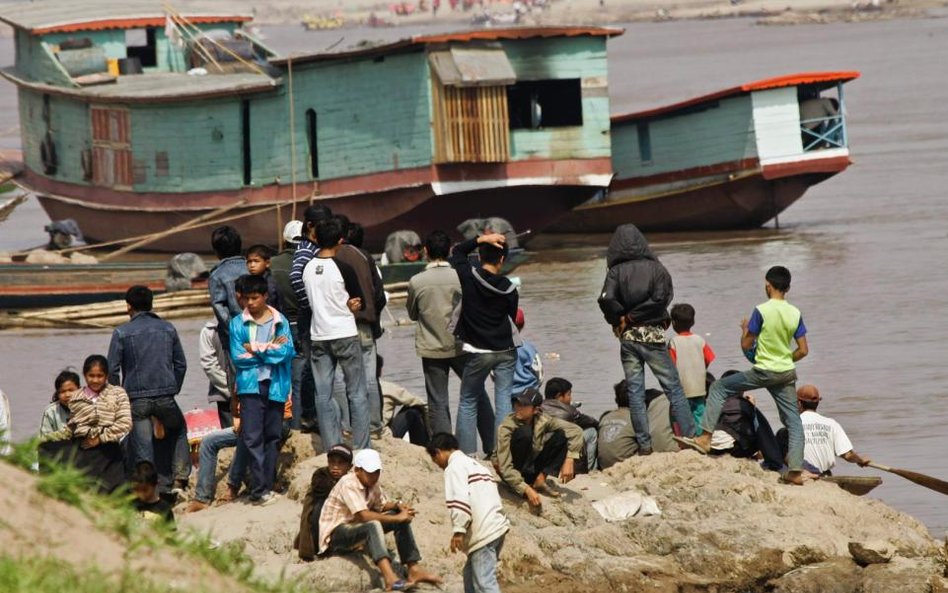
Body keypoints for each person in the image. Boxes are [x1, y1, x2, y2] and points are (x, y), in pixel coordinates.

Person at [684, 266, 809, 486]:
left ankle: (705, 438)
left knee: (719, 388)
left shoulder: (761, 311)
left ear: (767, 285)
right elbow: (803, 350)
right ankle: (796, 471)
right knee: (793, 422)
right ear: (788, 288)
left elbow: (746, 344)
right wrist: (786, 359)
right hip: (786, 373)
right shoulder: (795, 313)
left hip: (763, 371)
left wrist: (744, 331)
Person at [597, 224, 696, 456]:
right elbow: (660, 298)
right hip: (652, 336)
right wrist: (635, 316)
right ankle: (689, 437)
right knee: (673, 389)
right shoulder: (657, 269)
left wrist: (619, 318)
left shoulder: (614, 272)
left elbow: (605, 299)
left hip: (628, 339)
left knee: (635, 392)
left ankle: (644, 445)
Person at [319, 449, 442, 591]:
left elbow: (382, 505)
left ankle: (413, 568)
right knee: (373, 525)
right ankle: (390, 578)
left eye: (377, 472)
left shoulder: (371, 483)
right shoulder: (348, 483)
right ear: (357, 470)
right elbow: (363, 516)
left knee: (396, 516)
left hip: (355, 528)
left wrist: (398, 506)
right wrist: (397, 518)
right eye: (370, 472)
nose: (374, 476)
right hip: (336, 534)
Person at [107, 285, 189, 496]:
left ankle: (149, 492)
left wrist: (120, 398)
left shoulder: (121, 332)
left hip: (136, 400)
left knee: (143, 448)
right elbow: (181, 364)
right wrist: (173, 388)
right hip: (165, 396)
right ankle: (179, 480)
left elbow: (112, 370)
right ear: (152, 304)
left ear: (128, 306)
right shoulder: (168, 328)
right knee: (178, 430)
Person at [302, 217, 370, 450]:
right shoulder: (344, 268)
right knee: (357, 393)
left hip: (319, 335)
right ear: (340, 240)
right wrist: (353, 306)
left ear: (316, 238)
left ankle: (332, 445)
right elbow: (358, 303)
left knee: (323, 394)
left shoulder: (308, 268)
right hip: (344, 333)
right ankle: (361, 446)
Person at [451, 232, 520, 457]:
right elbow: (511, 315)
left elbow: (457, 252)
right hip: (507, 351)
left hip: (478, 351)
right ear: (502, 260)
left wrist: (481, 238)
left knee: (468, 401)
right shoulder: (509, 287)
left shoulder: (468, 276)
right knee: (504, 403)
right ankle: (502, 454)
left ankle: (468, 455)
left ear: (480, 256)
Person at [229, 274, 295, 506]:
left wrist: (256, 348)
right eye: (246, 298)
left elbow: (287, 352)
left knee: (272, 436)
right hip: (250, 387)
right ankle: (258, 490)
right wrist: (270, 350)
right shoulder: (237, 323)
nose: (250, 303)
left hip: (276, 386)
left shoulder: (280, 321)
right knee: (252, 437)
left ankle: (265, 486)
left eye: (255, 298)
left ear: (265, 296)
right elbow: (239, 358)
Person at [427, 432, 509, 593]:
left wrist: (459, 530)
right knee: (470, 577)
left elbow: (460, 500)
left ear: (438, 452)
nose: (436, 463)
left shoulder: (453, 468)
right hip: (497, 526)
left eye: (434, 458)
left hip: (484, 532)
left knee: (484, 584)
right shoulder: (477, 465)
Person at [39, 355, 131, 493]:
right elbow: (72, 427)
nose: (95, 380)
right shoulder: (77, 396)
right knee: (47, 448)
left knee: (112, 492)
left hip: (109, 449)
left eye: (100, 376)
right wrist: (48, 439)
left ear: (106, 375)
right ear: (85, 375)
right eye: (91, 375)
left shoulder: (117, 393)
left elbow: (125, 423)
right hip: (84, 448)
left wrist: (99, 439)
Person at [406, 229, 468, 436]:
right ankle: (489, 442)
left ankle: (445, 446)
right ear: (450, 250)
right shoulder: (461, 276)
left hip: (432, 347)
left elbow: (413, 314)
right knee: (474, 394)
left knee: (438, 399)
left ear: (426, 251)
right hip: (462, 344)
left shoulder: (417, 281)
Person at [331, 214, 387, 436]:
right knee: (369, 379)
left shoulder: (328, 258)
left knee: (341, 378)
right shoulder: (364, 256)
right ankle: (374, 425)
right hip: (364, 325)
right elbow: (379, 294)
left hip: (340, 326)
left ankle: (347, 426)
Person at [493, 388, 583, 510]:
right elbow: (504, 467)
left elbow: (575, 431)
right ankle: (524, 484)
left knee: (561, 435)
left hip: (530, 465)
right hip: (511, 471)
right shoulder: (506, 427)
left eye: (523, 405)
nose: (518, 407)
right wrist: (526, 489)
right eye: (517, 403)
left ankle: (540, 479)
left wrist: (570, 458)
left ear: (535, 410)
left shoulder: (542, 420)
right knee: (524, 433)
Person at [291, 205, 334, 431]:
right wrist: (312, 305)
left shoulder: (314, 248)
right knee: (311, 366)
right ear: (310, 227)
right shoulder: (306, 250)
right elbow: (296, 278)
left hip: (315, 316)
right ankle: (310, 415)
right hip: (310, 317)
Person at [271, 220, 309, 430]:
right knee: (299, 381)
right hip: (302, 326)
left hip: (277, 327)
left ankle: (281, 425)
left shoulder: (273, 264)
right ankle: (297, 426)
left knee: (278, 380)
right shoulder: (309, 261)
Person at [709, 371, 785, 472]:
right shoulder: (744, 405)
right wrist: (752, 407)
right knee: (759, 429)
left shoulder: (712, 403)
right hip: (734, 451)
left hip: (712, 449)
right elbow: (763, 433)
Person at [788, 385, 871, 476]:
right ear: (818, 403)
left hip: (803, 472)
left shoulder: (793, 424)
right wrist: (860, 460)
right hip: (824, 474)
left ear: (799, 403)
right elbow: (848, 455)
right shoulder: (832, 424)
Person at [597, 382, 679, 470]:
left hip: (604, 466)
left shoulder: (605, 417)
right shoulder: (637, 419)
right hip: (626, 465)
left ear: (616, 400)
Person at [295, 443, 353, 561]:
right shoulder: (321, 474)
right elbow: (323, 489)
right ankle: (316, 549)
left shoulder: (351, 479)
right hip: (319, 510)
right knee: (317, 512)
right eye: (332, 462)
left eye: (340, 463)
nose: (335, 467)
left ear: (349, 466)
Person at [669, 303, 715, 428]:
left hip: (681, 389)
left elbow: (671, 367)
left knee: (679, 416)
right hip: (699, 387)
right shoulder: (700, 340)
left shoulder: (673, 342)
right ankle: (700, 438)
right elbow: (709, 358)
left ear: (673, 323)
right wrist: (700, 369)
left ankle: (685, 438)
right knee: (699, 415)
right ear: (693, 321)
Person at [539, 377, 599, 472]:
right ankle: (591, 469)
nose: (571, 398)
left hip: (544, 455)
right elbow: (592, 422)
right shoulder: (569, 412)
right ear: (559, 396)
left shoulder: (538, 407)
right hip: (564, 455)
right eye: (569, 394)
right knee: (592, 432)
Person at [208, 225, 246, 344]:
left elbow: (220, 308)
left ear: (216, 251)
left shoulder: (217, 275)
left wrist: (234, 332)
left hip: (237, 338)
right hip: (263, 332)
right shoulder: (253, 267)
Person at [199, 319, 233, 428]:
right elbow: (209, 365)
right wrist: (231, 389)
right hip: (225, 396)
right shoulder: (209, 331)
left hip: (253, 393)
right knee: (231, 437)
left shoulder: (248, 323)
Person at [380, 373, 430, 446]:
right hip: (383, 436)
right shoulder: (388, 387)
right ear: (380, 371)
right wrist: (430, 431)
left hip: (361, 436)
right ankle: (421, 447)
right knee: (414, 409)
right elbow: (421, 403)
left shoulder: (358, 390)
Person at [39, 369, 81, 438]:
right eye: (63, 391)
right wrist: (67, 432)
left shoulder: (87, 407)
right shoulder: (50, 412)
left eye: (71, 390)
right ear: (57, 394)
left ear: (79, 390)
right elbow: (43, 439)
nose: (67, 395)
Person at [132, 460, 175, 525]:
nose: (140, 494)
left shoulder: (164, 509)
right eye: (136, 490)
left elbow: (171, 533)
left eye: (145, 490)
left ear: (155, 485)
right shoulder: (132, 505)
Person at [512, 308, 542, 394]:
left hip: (508, 394)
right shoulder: (528, 348)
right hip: (530, 393)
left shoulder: (499, 348)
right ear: (522, 325)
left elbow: (494, 375)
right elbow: (539, 373)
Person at [246, 243, 283, 313]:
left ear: (267, 263)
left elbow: (270, 307)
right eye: (249, 261)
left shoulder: (269, 284)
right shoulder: (251, 280)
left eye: (256, 261)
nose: (252, 265)